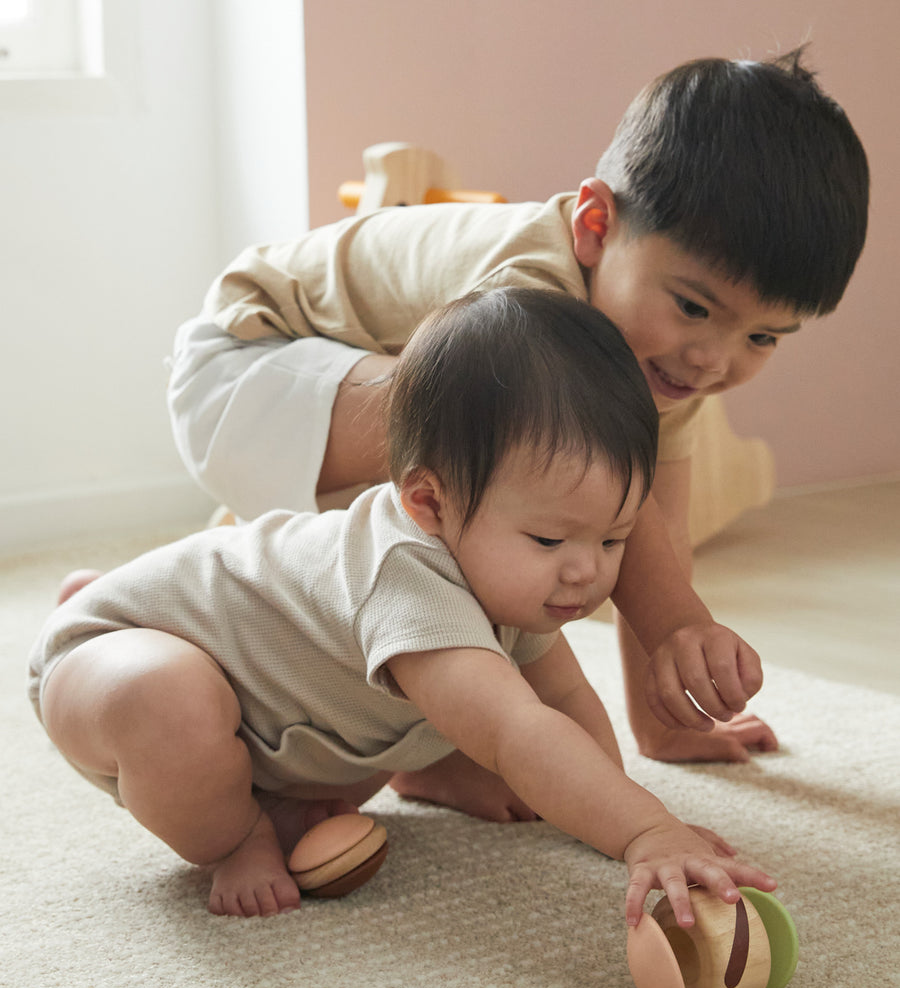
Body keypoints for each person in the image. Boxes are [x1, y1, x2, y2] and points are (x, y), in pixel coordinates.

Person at [165, 48, 868, 792]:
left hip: (325, 431)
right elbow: (594, 523)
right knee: (496, 469)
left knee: (508, 515)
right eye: (694, 307)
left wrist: (665, 715)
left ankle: (411, 744)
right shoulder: (534, 286)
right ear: (596, 225)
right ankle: (446, 744)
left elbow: (653, 519)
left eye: (762, 337)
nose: (712, 361)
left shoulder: (665, 356)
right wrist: (678, 621)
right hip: (244, 370)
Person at [29, 289, 776, 921]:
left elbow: (566, 703)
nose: (586, 572)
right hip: (119, 648)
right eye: (550, 538)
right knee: (171, 703)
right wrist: (645, 835)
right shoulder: (406, 572)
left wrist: (622, 811)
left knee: (440, 721)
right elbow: (520, 733)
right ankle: (236, 834)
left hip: (276, 722)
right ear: (428, 502)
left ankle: (313, 793)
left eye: (613, 539)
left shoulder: (513, 574)